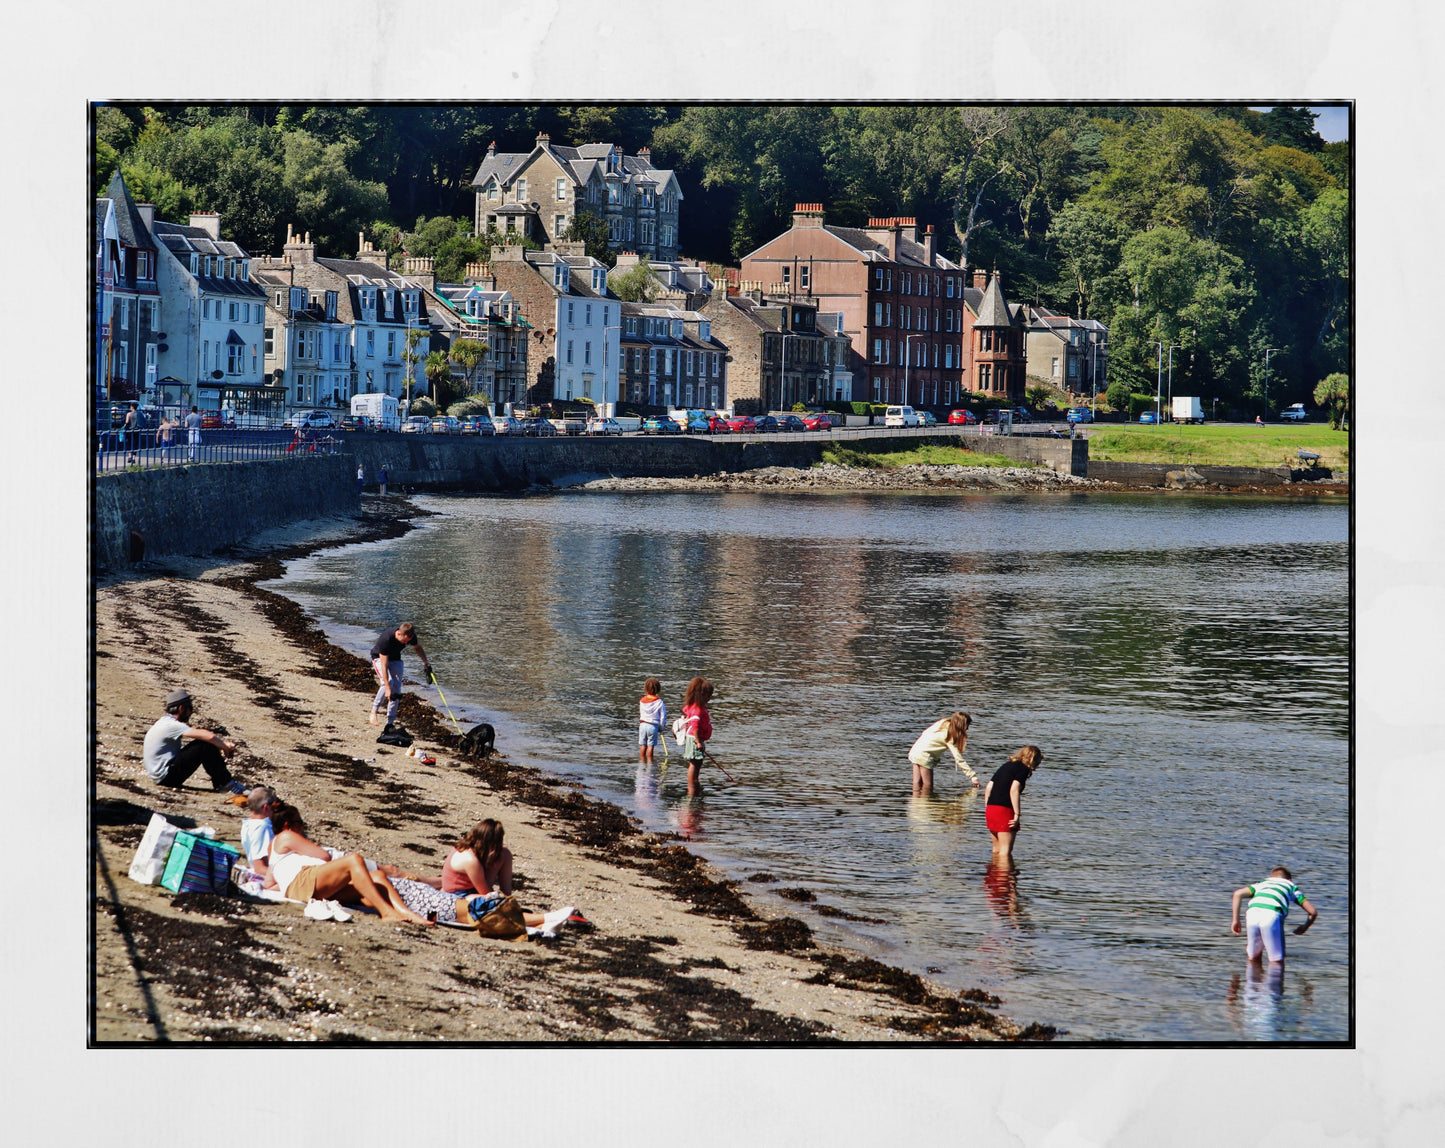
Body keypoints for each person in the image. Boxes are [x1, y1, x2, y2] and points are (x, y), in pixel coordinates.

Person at [264, 800, 431, 924]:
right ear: (287, 825)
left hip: (305, 887)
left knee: (378, 876)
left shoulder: (275, 847)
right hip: (305, 881)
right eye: (299, 823)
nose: (302, 827)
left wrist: (288, 887)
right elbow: (324, 856)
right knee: (353, 859)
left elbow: (269, 883)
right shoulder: (286, 836)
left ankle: (406, 913)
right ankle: (386, 912)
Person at [439, 818, 562, 929]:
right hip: (457, 897)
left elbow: (503, 891)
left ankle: (532, 921)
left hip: (473, 891)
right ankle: (545, 919)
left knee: (505, 855)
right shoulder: (469, 860)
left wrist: (506, 898)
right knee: (491, 905)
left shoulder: (482, 853)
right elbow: (485, 893)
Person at [142, 688, 246, 795]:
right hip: (166, 777)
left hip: (160, 775)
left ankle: (223, 783)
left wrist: (219, 746)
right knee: (203, 744)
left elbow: (198, 733)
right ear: (181, 708)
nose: (191, 712)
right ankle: (226, 784)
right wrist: (224, 746)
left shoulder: (164, 722)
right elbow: (209, 737)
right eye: (190, 708)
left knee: (204, 744)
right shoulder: (172, 725)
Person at [1230, 865, 1318, 964]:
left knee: (1253, 958)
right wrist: (1305, 927)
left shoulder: (1262, 883)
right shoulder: (1291, 886)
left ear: (1271, 877)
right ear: (1290, 879)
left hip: (1252, 914)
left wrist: (1235, 920)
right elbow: (1313, 912)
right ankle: (1276, 978)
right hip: (1272, 915)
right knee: (1277, 961)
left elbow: (1237, 894)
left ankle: (1250, 978)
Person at [984, 745, 1043, 858]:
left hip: (991, 808)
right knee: (1005, 851)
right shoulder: (1023, 769)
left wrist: (988, 807)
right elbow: (1014, 789)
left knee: (996, 849)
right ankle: (1005, 875)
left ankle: (994, 874)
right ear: (1032, 759)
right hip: (1004, 810)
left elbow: (988, 787)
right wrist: (1017, 814)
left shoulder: (1006, 766)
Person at [368, 622, 430, 726]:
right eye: (405, 640)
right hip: (379, 658)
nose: (405, 643)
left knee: (396, 689)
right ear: (399, 634)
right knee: (388, 683)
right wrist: (387, 688)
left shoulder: (411, 636)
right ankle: (373, 712)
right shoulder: (386, 639)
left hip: (395, 659)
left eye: (408, 641)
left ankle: (390, 722)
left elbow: (417, 648)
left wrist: (425, 662)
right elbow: (384, 664)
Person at [908, 712, 978, 795]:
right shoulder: (950, 735)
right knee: (928, 787)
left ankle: (915, 806)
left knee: (916, 785)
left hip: (915, 750)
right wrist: (972, 776)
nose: (967, 729)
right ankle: (925, 805)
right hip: (924, 756)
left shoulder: (943, 722)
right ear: (962, 725)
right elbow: (958, 758)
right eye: (967, 725)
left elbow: (925, 732)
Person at [678, 676, 714, 794]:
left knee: (697, 763)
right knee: (695, 763)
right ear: (702, 695)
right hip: (695, 739)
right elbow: (695, 726)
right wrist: (698, 742)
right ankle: (692, 787)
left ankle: (694, 782)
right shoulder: (697, 709)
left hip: (696, 739)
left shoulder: (695, 707)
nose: (709, 699)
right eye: (708, 696)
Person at [240, 786, 277, 878]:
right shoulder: (262, 827)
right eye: (274, 806)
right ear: (266, 807)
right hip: (268, 876)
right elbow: (259, 867)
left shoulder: (248, 824)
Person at [638, 677, 666, 765]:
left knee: (643, 746)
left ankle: (642, 762)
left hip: (642, 725)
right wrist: (661, 727)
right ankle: (650, 764)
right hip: (653, 726)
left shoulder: (642, 701)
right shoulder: (659, 702)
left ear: (645, 689)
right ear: (658, 689)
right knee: (650, 747)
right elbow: (663, 716)